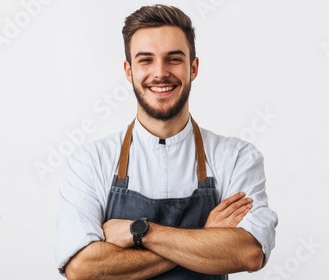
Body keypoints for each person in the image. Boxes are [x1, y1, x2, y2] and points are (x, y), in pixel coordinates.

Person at [54, 4, 278, 279]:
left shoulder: (237, 157)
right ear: (129, 70)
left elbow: (249, 252)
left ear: (193, 68)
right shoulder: (90, 161)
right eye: (146, 60)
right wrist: (205, 238)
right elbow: (83, 268)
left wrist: (138, 232)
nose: (160, 73)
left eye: (173, 59)